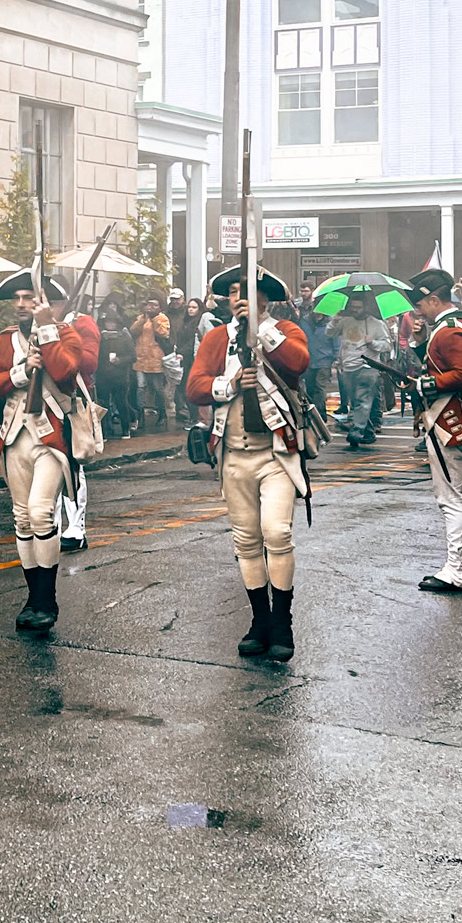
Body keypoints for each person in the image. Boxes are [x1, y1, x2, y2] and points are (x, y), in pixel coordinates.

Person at [185, 265, 311, 660]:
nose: (239, 297)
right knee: (246, 541)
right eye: (234, 291)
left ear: (265, 300)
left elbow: (299, 363)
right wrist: (229, 384)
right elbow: (194, 387)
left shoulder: (285, 330)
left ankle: (282, 621)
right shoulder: (216, 338)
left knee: (276, 533)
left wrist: (263, 331)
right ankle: (260, 620)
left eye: (248, 292)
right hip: (234, 456)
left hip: (276, 453)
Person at [0, 269, 99, 632]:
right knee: (21, 518)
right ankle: (32, 599)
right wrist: (19, 372)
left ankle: (47, 601)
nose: (20, 304)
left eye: (28, 298)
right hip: (15, 435)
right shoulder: (4, 341)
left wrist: (48, 330)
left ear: (44, 302)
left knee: (41, 512)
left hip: (52, 439)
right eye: (15, 299)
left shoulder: (66, 334)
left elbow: (66, 371)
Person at [406, 269, 462, 595]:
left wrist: (424, 384)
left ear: (433, 299)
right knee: (452, 498)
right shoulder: (448, 327)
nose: (418, 311)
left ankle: (457, 570)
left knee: (451, 499)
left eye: (421, 305)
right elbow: (439, 363)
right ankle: (456, 568)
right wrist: (418, 344)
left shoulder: (449, 330)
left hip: (447, 422)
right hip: (450, 419)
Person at [333, 293, 389, 450]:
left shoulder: (377, 324)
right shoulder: (346, 321)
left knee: (362, 400)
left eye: (358, 307)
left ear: (366, 307)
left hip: (367, 366)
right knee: (357, 402)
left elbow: (387, 345)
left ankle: (356, 432)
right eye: (353, 307)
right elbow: (330, 333)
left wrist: (373, 343)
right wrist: (335, 320)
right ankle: (369, 432)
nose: (355, 310)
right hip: (348, 366)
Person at [131, 297, 173, 430]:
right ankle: (140, 416)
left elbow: (163, 333)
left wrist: (154, 319)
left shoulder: (162, 318)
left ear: (160, 307)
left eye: (155, 305)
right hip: (140, 358)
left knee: (157, 387)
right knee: (140, 387)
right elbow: (133, 331)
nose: (151, 308)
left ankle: (162, 414)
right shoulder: (141, 318)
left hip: (155, 358)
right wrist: (143, 318)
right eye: (149, 305)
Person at [96, 308, 137, 440]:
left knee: (121, 403)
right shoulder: (101, 336)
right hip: (103, 375)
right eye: (108, 322)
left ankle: (126, 429)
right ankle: (106, 432)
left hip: (120, 376)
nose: (110, 325)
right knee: (103, 404)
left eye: (112, 322)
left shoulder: (124, 335)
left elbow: (133, 356)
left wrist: (120, 360)